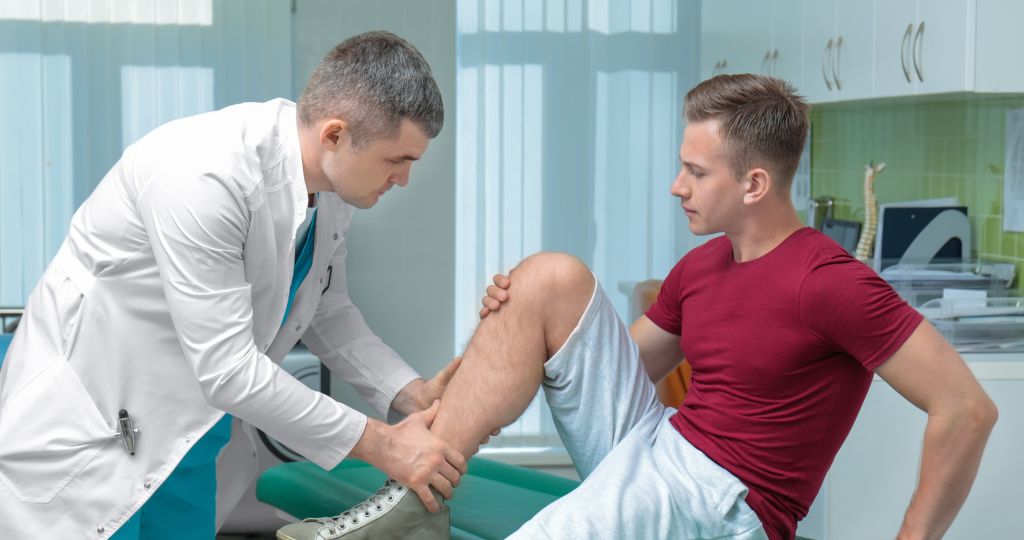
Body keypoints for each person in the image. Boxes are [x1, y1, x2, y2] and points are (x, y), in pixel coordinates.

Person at [279, 74, 998, 540]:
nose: (675, 187)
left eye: (694, 171)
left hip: (723, 499)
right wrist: (513, 318)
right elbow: (596, 367)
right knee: (549, 276)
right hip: (661, 443)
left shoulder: (830, 281)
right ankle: (414, 500)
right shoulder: (705, 264)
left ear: (753, 184)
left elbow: (967, 409)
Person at [0, 31, 474, 539]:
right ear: (335, 134)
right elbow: (227, 369)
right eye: (397, 160)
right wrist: (383, 444)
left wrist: (409, 392)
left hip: (190, 440)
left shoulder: (328, 193)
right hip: (93, 437)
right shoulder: (203, 175)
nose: (403, 179)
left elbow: (327, 310)